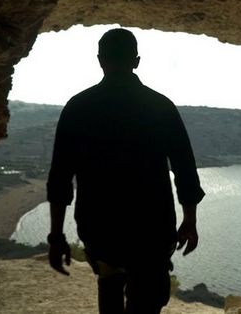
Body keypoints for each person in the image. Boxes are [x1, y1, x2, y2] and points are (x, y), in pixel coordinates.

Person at [46, 28, 205, 314]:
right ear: (137, 61)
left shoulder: (78, 107)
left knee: (109, 281)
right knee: (147, 299)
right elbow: (184, 169)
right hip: (151, 226)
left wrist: (56, 235)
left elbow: (60, 176)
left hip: (99, 224)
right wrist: (189, 220)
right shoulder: (160, 107)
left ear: (100, 60)